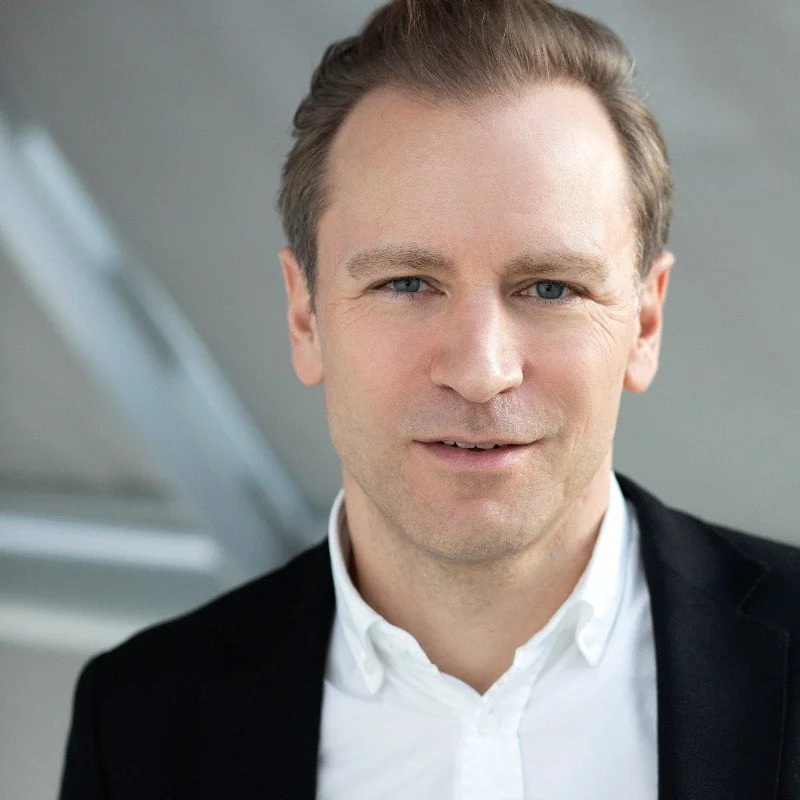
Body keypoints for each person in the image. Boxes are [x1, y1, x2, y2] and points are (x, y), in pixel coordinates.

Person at [60, 1, 800, 798]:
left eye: (550, 287)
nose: (482, 371)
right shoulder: (139, 722)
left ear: (644, 322)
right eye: (406, 283)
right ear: (305, 316)